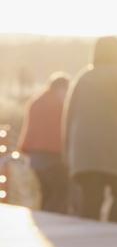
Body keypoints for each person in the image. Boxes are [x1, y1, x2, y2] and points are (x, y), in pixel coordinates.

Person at [64, 35, 117, 223]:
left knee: (91, 203)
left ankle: (89, 245)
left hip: (83, 154)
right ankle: (114, 235)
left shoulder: (83, 76)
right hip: (113, 151)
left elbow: (68, 117)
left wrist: (68, 154)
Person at [17, 72, 70, 213]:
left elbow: (29, 129)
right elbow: (61, 132)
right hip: (52, 156)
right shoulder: (58, 104)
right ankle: (53, 224)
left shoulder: (36, 101)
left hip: (35, 157)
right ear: (61, 88)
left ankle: (44, 221)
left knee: (46, 192)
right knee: (60, 192)